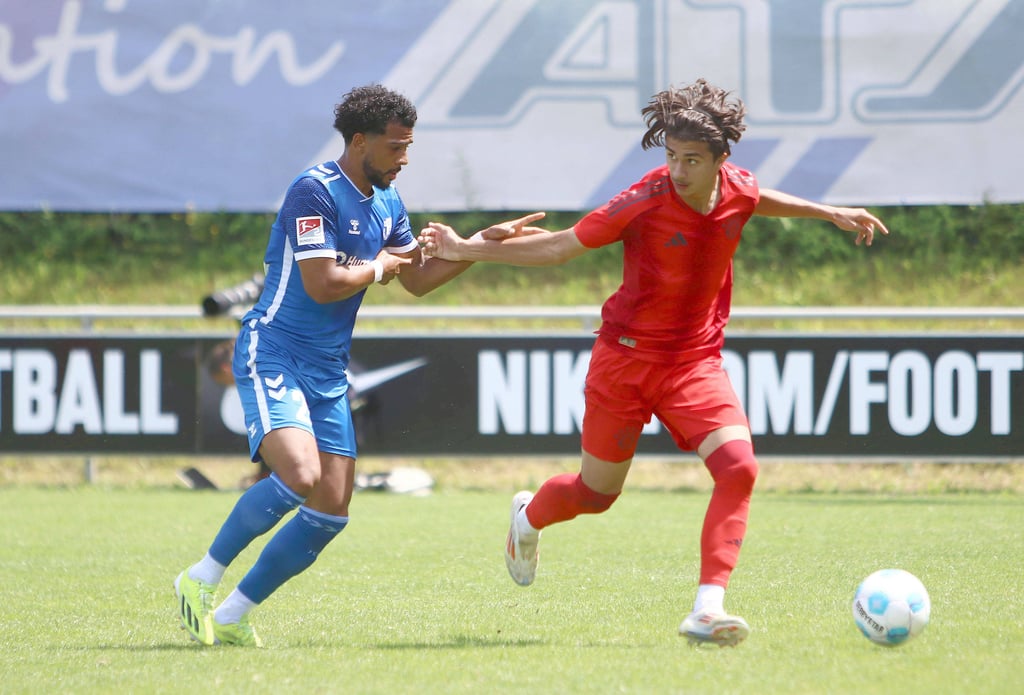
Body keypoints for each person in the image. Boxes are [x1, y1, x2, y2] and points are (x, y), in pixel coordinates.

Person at [418, 78, 888, 647]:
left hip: (694, 363)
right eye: (671, 156)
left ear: (720, 160)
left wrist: (828, 211)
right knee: (596, 495)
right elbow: (561, 246)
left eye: (692, 159)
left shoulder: (736, 187)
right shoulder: (643, 199)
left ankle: (707, 610)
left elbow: (756, 198)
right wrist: (464, 248)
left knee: (739, 467)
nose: (679, 170)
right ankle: (528, 517)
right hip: (624, 360)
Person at [174, 84, 529, 647]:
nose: (404, 159)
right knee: (299, 477)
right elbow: (322, 284)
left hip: (327, 370)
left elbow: (415, 280)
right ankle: (200, 578)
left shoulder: (387, 202)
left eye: (409, 147)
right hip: (276, 351)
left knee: (331, 512)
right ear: (359, 141)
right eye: (395, 147)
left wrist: (480, 245)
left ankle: (234, 614)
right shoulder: (312, 191)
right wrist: (381, 263)